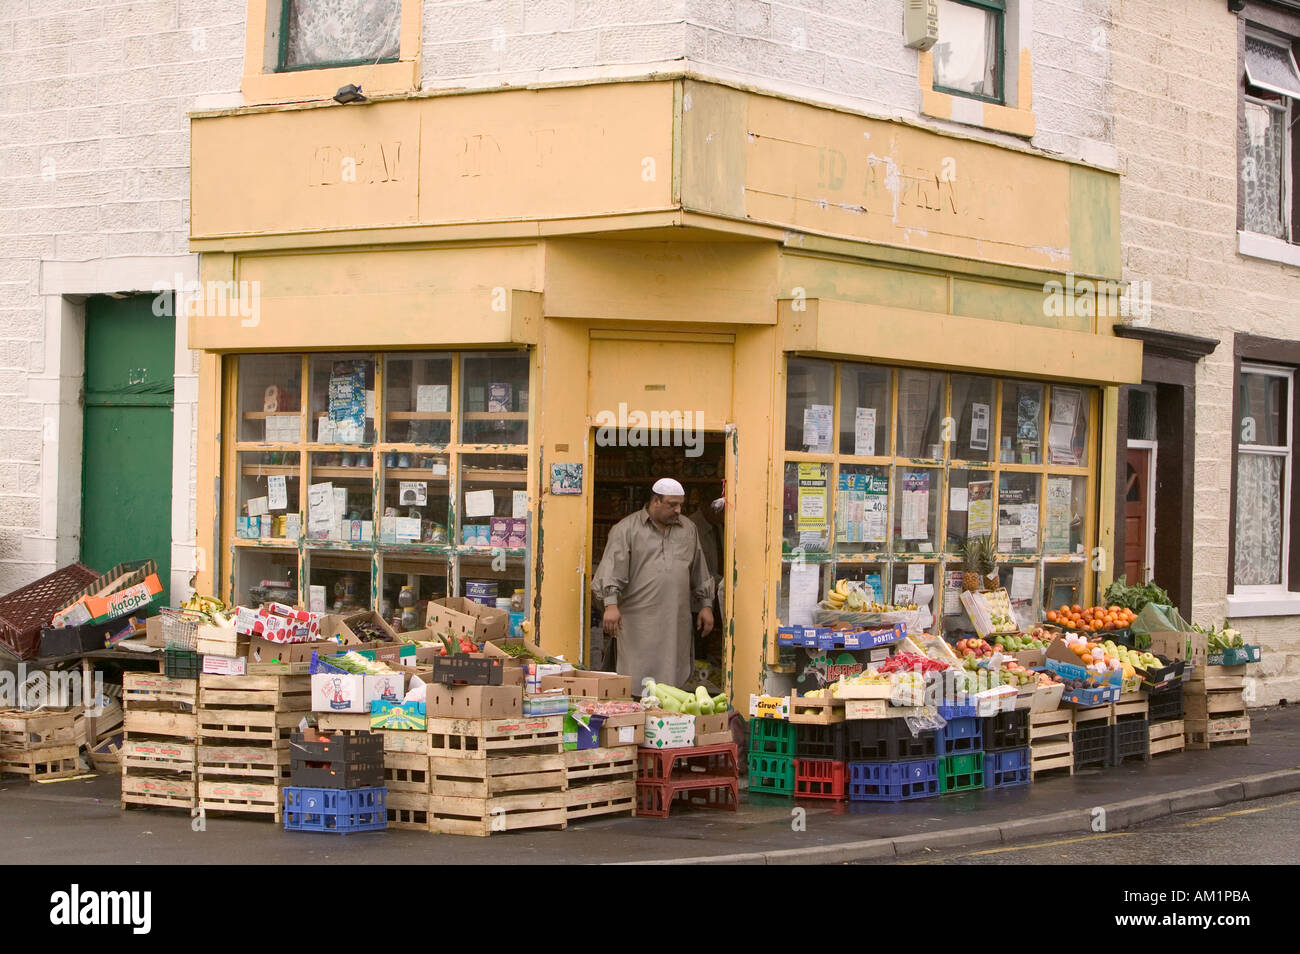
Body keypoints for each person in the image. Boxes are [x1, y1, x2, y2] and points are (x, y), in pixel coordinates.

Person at [592, 477, 715, 695]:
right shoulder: (626, 529)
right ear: (655, 501)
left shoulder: (689, 529)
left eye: (681, 505)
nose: (678, 510)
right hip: (637, 622)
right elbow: (612, 569)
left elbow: (700, 569)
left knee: (672, 684)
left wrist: (706, 605)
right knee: (635, 680)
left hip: (675, 621)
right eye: (672, 504)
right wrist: (610, 605)